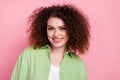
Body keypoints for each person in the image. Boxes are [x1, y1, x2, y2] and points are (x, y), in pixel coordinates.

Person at [11, 4, 90, 80]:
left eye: (62, 28)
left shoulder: (79, 65)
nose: (56, 34)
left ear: (72, 30)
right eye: (51, 28)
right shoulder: (29, 55)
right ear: (44, 30)